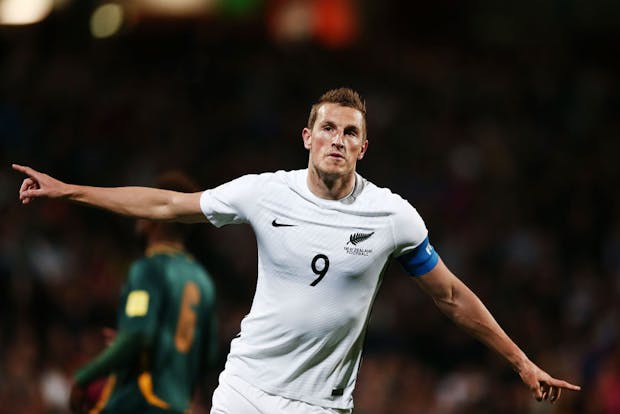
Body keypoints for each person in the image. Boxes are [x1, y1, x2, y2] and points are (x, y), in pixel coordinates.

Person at [14, 88, 579, 413]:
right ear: (307, 137)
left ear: (363, 146)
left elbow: (452, 297)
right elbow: (166, 205)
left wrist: (521, 361)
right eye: (327, 128)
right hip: (246, 391)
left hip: (322, 406)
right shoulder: (264, 192)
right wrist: (72, 191)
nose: (338, 139)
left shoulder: (393, 216)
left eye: (349, 132)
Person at [66, 171, 217, 414]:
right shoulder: (203, 281)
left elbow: (138, 336)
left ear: (152, 218)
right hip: (179, 406)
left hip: (141, 401)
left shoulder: (149, 268)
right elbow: (207, 354)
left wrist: (83, 377)